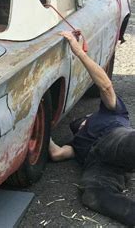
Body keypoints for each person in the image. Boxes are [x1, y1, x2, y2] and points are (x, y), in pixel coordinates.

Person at [49, 31, 135, 226]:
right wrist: (37, 125)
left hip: (115, 139)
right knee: (91, 195)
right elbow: (56, 153)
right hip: (100, 165)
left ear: (88, 117)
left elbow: (105, 86)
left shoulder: (112, 114)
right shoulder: (75, 144)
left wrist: (78, 51)